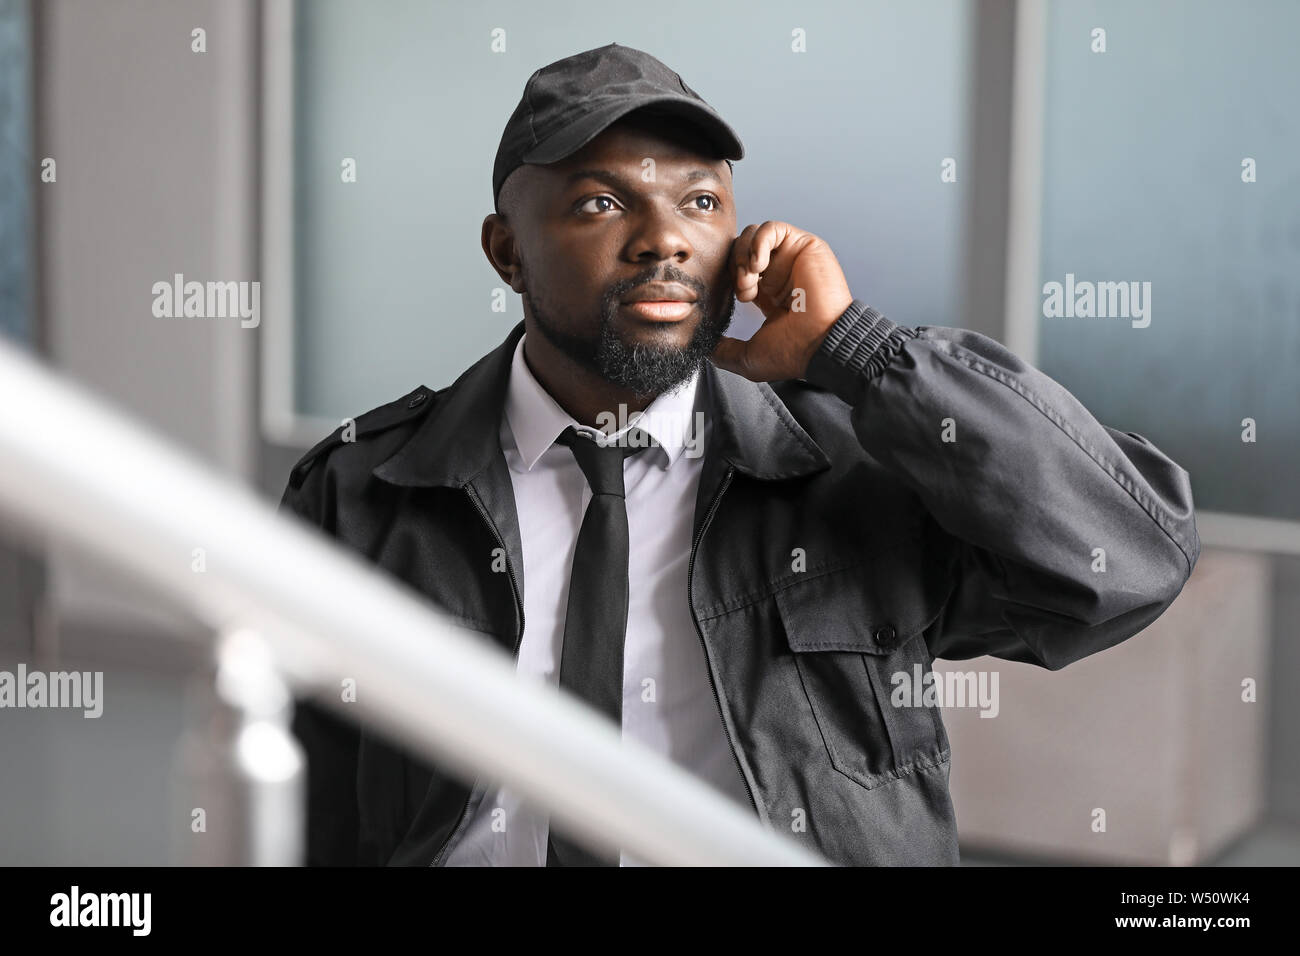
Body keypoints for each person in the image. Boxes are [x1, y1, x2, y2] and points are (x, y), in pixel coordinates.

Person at [279, 42, 1200, 866]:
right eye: (603, 202)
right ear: (506, 252)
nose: (665, 239)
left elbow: (1128, 561)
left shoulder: (851, 469)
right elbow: (306, 800)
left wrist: (859, 350)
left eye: (701, 202)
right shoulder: (364, 491)